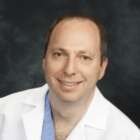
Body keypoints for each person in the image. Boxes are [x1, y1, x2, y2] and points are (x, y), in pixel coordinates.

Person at [0, 13, 139, 140]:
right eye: (59, 54)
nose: (69, 69)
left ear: (102, 68)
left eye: (84, 57)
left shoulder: (127, 135)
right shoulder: (3, 113)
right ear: (44, 60)